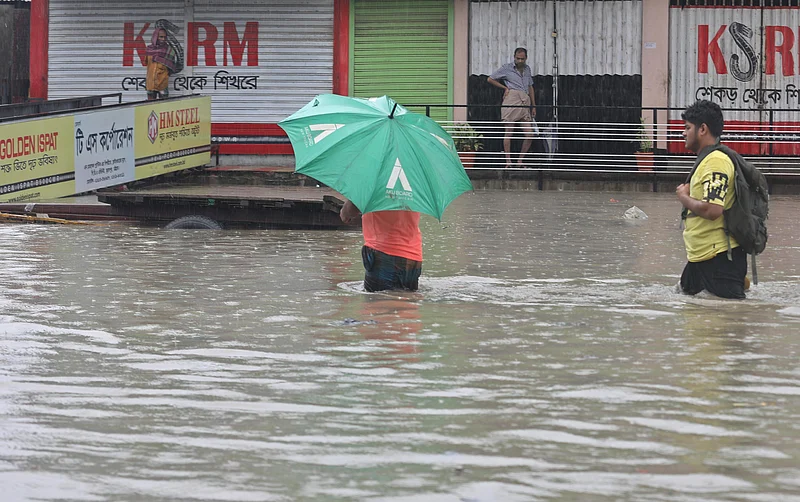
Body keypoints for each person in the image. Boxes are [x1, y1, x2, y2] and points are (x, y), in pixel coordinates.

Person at [676, 100, 747, 299]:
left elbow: (712, 210)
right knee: (688, 308)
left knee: (723, 322)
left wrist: (684, 197)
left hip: (720, 260)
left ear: (703, 129)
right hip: (702, 258)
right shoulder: (707, 161)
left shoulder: (715, 162)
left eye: (687, 127)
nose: (683, 133)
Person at [340, 200, 423, 292]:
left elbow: (346, 214)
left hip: (383, 253)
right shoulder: (415, 188)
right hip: (414, 257)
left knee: (377, 302)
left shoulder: (372, 185)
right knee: (407, 301)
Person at [487, 47, 538, 167]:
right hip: (512, 98)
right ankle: (508, 161)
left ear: (526, 58)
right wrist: (505, 88)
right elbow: (490, 79)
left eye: (522, 59)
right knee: (508, 132)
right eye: (518, 58)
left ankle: (520, 160)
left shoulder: (527, 69)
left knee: (530, 134)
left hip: (525, 101)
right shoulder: (507, 68)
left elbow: (530, 86)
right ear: (514, 57)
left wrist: (533, 105)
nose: (520, 61)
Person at [145, 27, 177, 100]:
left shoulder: (169, 51)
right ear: (155, 37)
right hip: (150, 84)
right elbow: (147, 63)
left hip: (162, 84)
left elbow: (172, 67)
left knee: (163, 107)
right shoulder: (149, 50)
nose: (163, 39)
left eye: (165, 37)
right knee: (149, 107)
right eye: (161, 37)